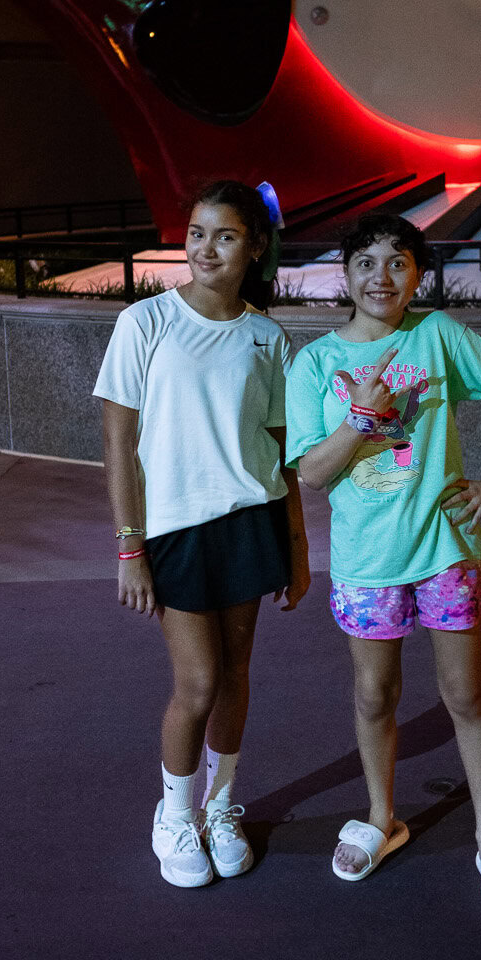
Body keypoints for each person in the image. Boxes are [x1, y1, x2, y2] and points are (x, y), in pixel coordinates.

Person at [286, 211, 481, 917]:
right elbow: (310, 472)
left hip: (444, 551)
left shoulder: (436, 336)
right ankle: (381, 816)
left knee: (465, 695)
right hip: (367, 562)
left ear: (417, 276)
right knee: (375, 695)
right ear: (346, 273)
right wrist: (361, 419)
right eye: (366, 261)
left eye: (398, 262)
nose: (381, 276)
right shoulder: (314, 363)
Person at [94, 181, 309, 888]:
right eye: (195, 232)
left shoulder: (268, 336)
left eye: (223, 235)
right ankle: (174, 814)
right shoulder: (145, 322)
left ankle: (220, 808)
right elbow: (120, 445)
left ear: (254, 245)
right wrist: (130, 546)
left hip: (251, 522)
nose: (204, 248)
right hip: (176, 530)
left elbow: (283, 453)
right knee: (198, 682)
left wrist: (299, 548)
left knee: (239, 674)